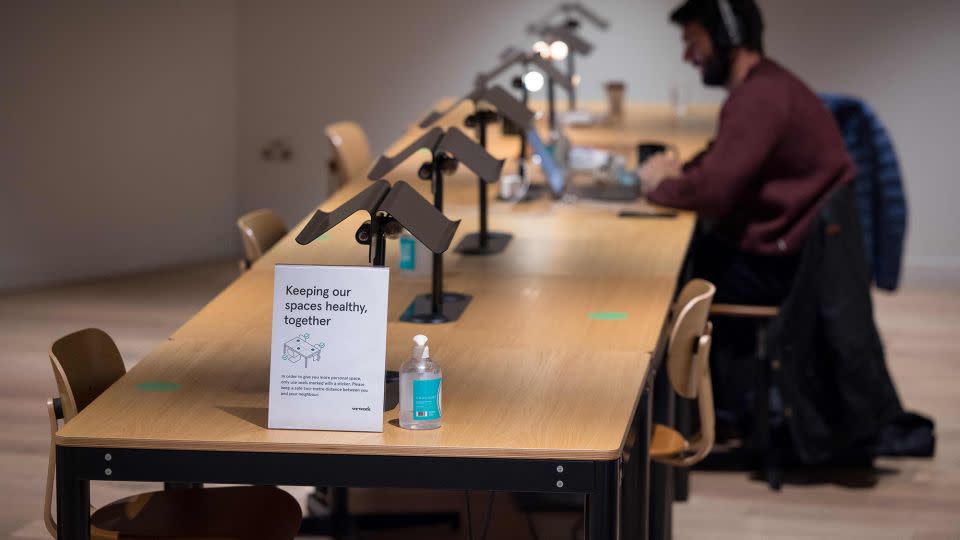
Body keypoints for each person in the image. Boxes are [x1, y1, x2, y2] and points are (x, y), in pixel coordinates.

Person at [638, 0, 856, 439]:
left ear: (727, 38)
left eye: (693, 42)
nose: (687, 56)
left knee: (657, 283)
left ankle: (687, 424)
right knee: (683, 261)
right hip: (795, 251)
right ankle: (716, 409)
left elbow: (716, 193)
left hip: (783, 266)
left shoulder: (759, 98)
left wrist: (656, 186)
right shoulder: (766, 86)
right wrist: (682, 174)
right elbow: (723, 163)